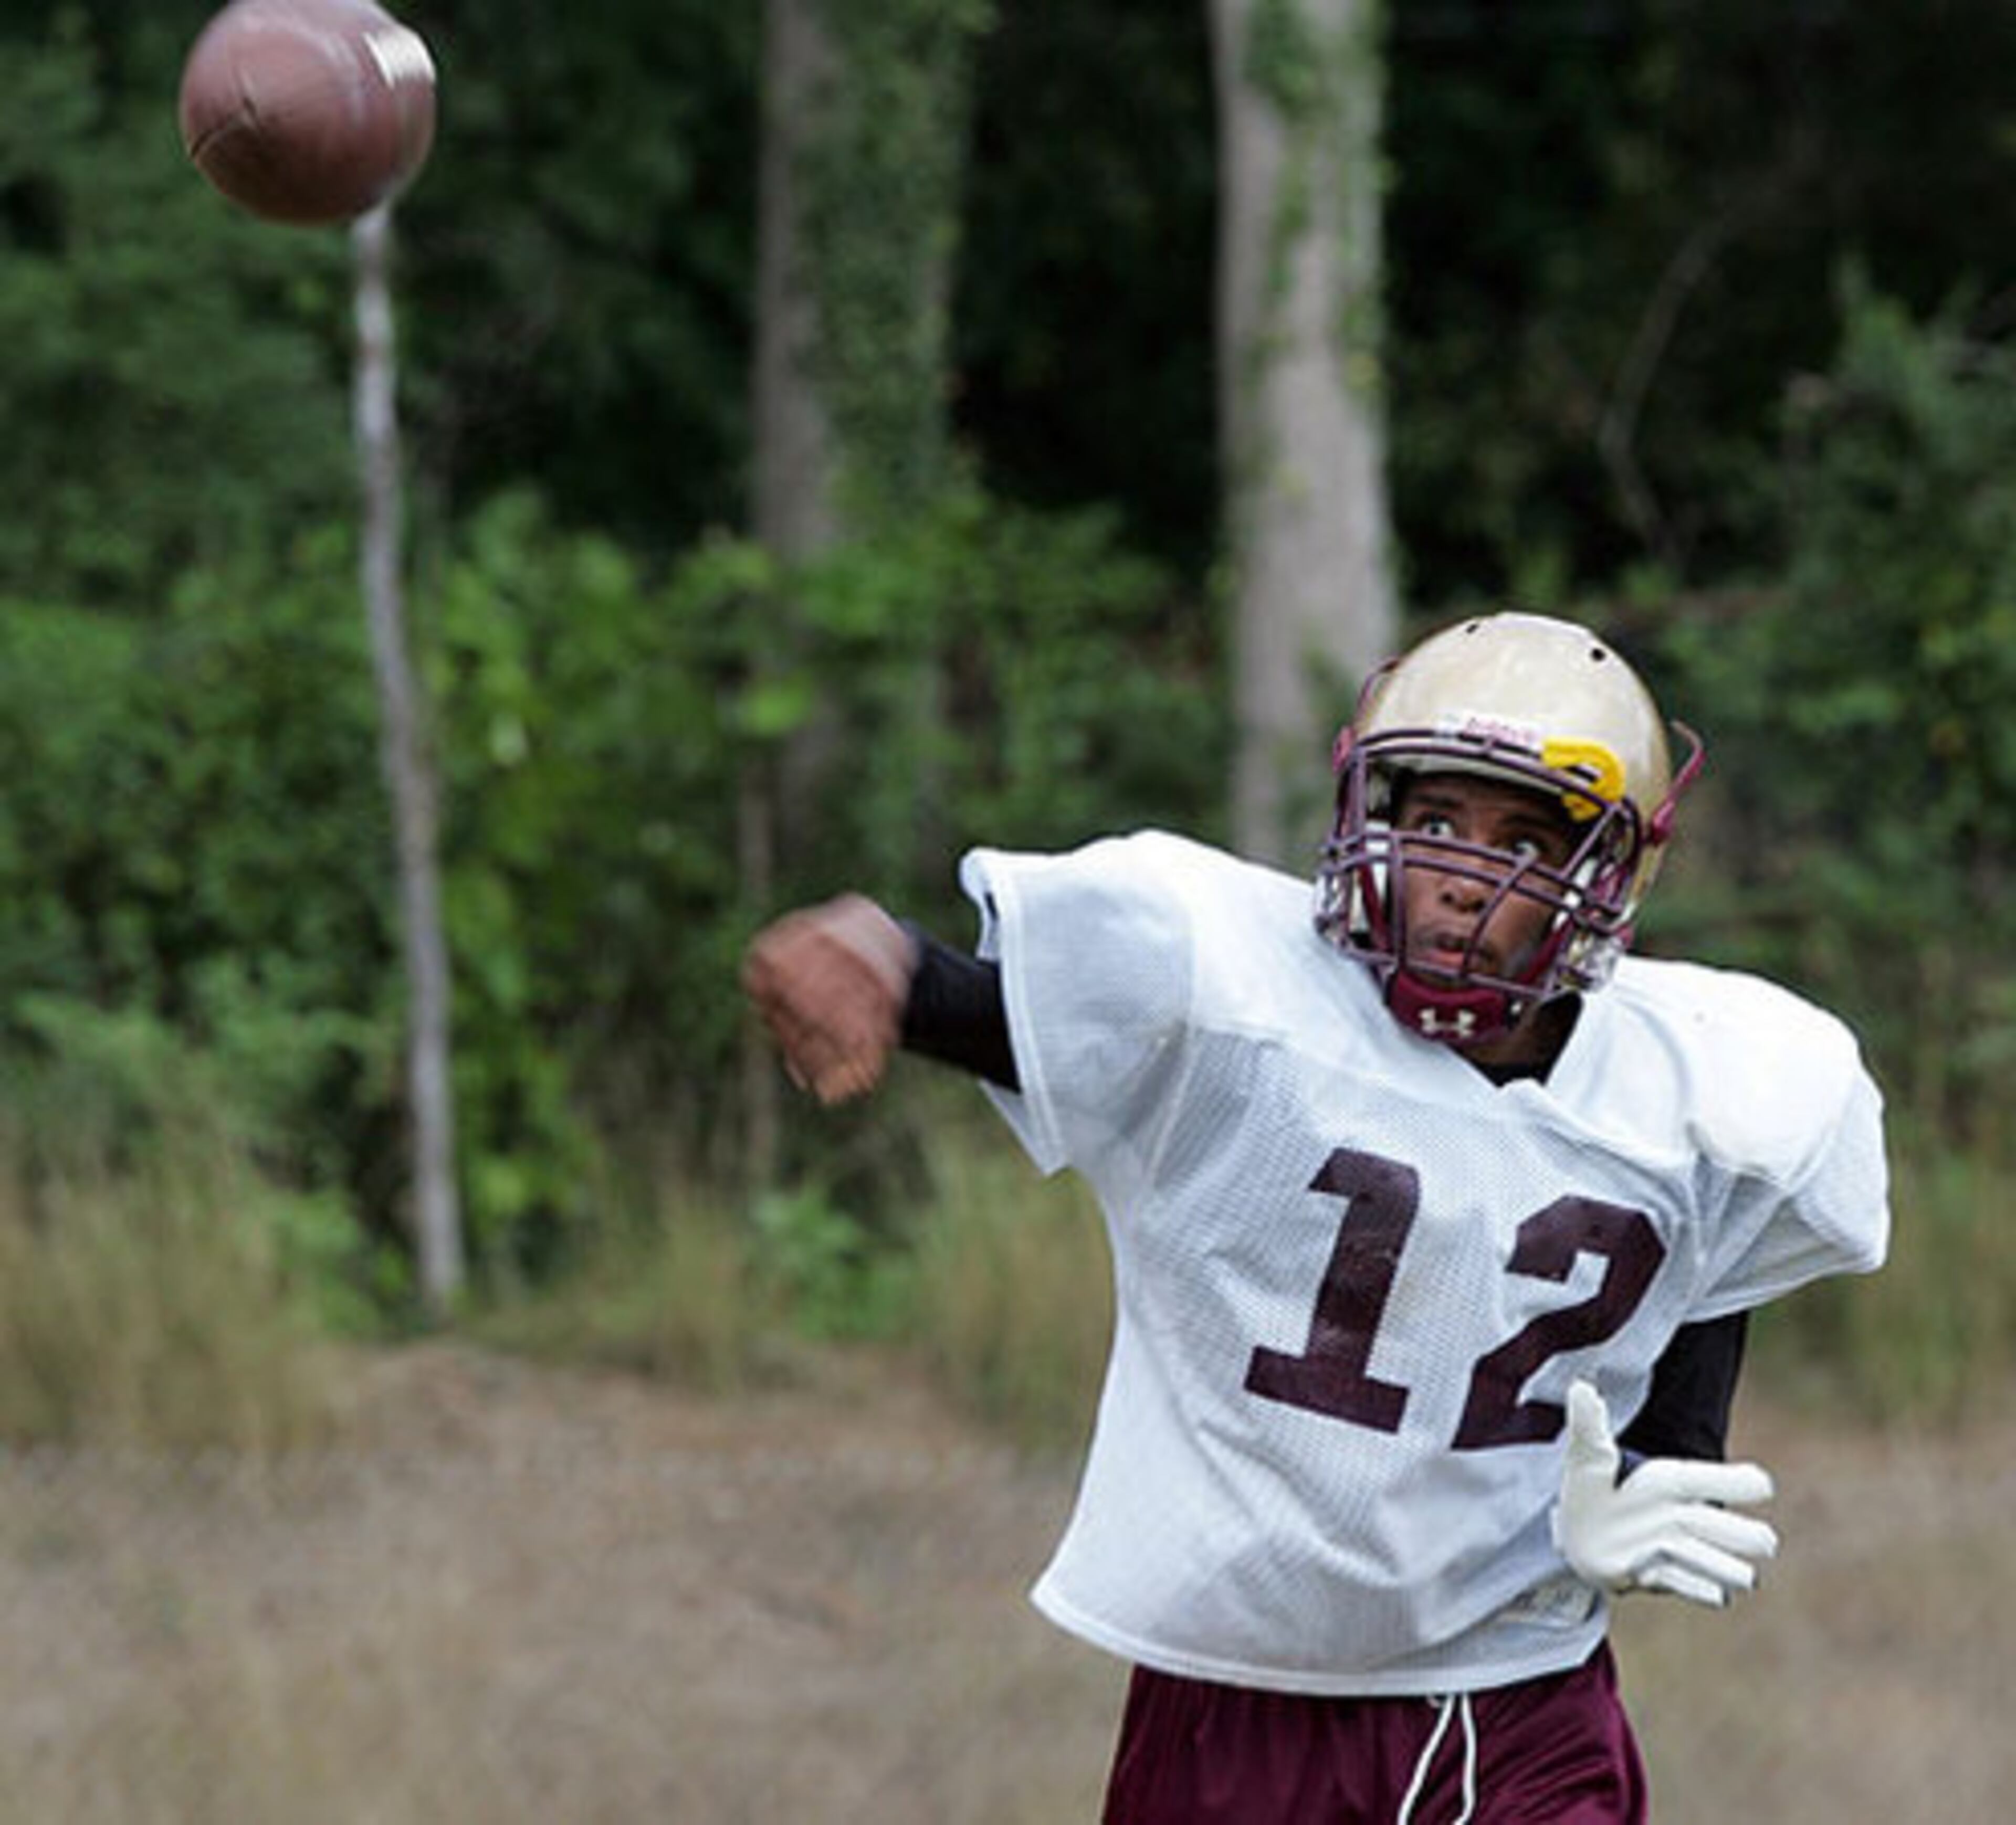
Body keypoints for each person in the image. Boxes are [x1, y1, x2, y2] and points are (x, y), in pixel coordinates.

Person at [742, 610, 1890, 1823]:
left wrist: (1667, 1460)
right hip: (1234, 1698)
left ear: (1611, 874)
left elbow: (1715, 1244)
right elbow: (997, 1012)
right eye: (1437, 821)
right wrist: (888, 959)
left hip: (1516, 1694)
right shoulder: (1239, 1000)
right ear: (1371, 814)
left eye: (1522, 838)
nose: (1464, 874)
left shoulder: (1704, 1079)